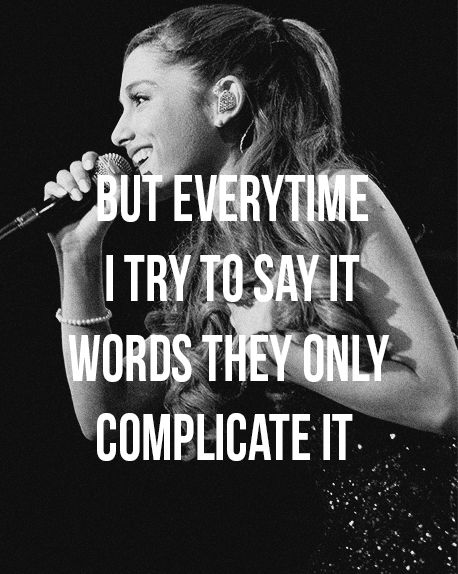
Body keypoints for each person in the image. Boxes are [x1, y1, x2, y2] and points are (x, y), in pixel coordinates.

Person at [43, 4, 457, 571]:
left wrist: (275, 350)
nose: (119, 133)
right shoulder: (206, 260)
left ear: (225, 99)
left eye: (139, 99)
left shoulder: (337, 195)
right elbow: (108, 422)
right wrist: (77, 255)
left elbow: (442, 400)